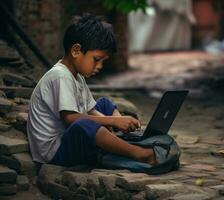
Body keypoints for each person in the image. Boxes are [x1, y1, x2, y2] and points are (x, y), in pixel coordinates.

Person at [27, 13, 156, 167]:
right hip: (55, 152)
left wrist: (115, 122)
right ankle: (136, 153)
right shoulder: (59, 75)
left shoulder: (77, 76)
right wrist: (113, 120)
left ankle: (117, 139)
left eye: (102, 61)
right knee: (84, 124)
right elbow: (71, 119)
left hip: (70, 138)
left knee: (104, 103)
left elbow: (91, 109)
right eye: (96, 59)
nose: (100, 66)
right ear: (76, 51)